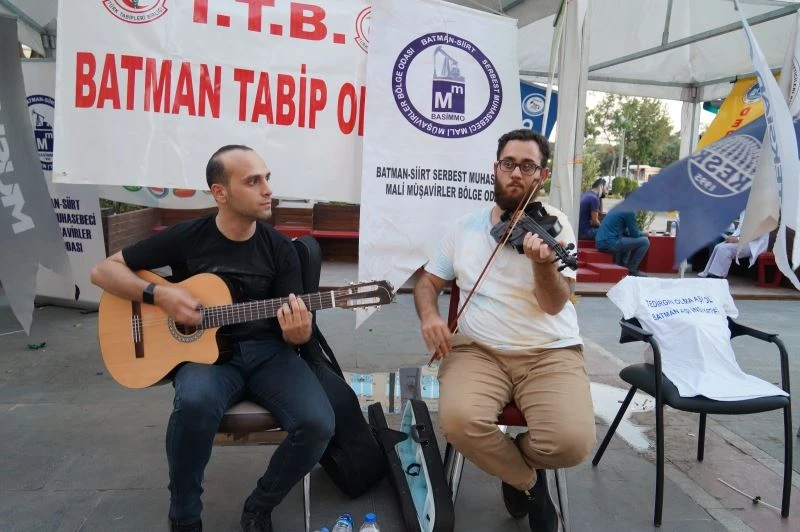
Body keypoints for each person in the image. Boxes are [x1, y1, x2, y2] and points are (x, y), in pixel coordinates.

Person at [90, 145, 334, 532]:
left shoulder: (280, 249)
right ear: (220, 192)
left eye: (267, 178)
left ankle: (259, 506)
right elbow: (104, 272)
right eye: (253, 181)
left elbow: (294, 331)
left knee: (318, 422)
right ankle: (185, 517)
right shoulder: (189, 236)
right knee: (195, 403)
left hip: (269, 354)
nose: (267, 189)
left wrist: (299, 333)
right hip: (206, 359)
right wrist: (161, 295)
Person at [413, 129, 595, 532]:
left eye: (527, 166)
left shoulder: (557, 228)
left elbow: (554, 304)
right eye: (508, 163)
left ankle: (511, 462)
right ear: (495, 168)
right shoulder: (464, 228)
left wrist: (543, 265)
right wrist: (430, 316)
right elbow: (428, 283)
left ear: (541, 176)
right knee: (459, 421)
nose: (516, 173)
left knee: (572, 443)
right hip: (478, 351)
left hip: (550, 352)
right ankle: (529, 484)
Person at [698, 211, 769, 278]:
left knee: (724, 249)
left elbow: (758, 234)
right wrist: (732, 237)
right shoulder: (744, 211)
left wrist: (737, 239)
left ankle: (719, 275)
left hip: (755, 244)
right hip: (743, 241)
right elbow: (740, 229)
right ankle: (709, 272)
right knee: (718, 246)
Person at [594, 208, 651, 276]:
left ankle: (622, 266)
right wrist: (644, 233)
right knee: (645, 241)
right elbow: (634, 234)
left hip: (599, 243)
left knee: (627, 238)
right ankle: (632, 270)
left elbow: (624, 231)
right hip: (610, 243)